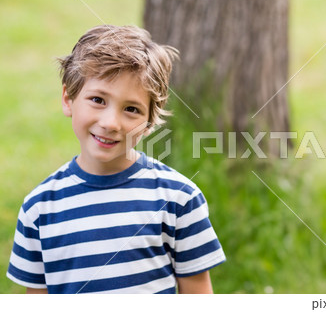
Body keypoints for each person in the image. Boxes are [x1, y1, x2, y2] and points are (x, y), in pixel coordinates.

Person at [7, 25, 226, 294]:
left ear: (149, 122)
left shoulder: (179, 198)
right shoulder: (39, 209)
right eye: (98, 99)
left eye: (131, 109)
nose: (111, 123)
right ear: (68, 99)